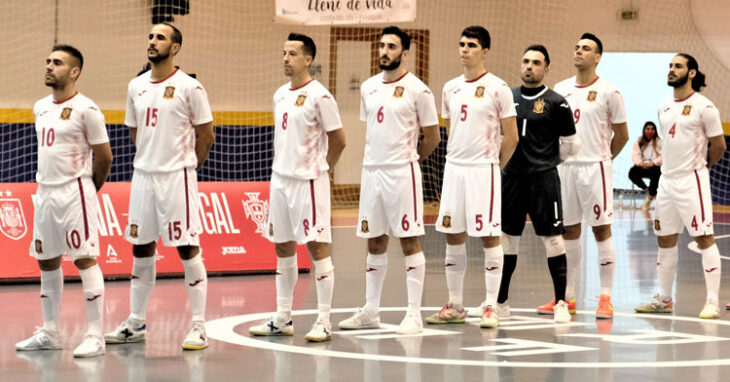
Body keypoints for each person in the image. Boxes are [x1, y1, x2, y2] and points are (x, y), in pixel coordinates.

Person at [104, 23, 215, 350]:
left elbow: (205, 134)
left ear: (176, 47)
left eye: (160, 38)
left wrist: (189, 167)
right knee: (141, 248)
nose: (153, 42)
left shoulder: (189, 87)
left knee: (186, 248)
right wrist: (148, 159)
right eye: (150, 37)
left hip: (177, 177)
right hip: (143, 178)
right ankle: (136, 322)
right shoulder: (135, 86)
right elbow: (134, 130)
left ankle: (198, 326)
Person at [338, 26, 440, 334]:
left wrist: (410, 160)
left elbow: (432, 137)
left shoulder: (419, 90)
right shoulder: (368, 87)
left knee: (409, 240)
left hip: (402, 174)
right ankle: (371, 310)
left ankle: (413, 313)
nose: (384, 51)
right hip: (371, 173)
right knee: (375, 240)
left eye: (392, 46)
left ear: (404, 52)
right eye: (382, 45)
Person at [16, 45, 113, 358]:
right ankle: (50, 332)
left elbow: (105, 157)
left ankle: (96, 335)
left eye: (57, 62)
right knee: (47, 261)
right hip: (45, 194)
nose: (48, 66)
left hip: (75, 194)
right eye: (47, 61)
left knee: (84, 258)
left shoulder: (88, 110)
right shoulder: (40, 106)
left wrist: (87, 189)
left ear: (74, 71)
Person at [248, 33, 346, 342]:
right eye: (283, 52)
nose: (285, 58)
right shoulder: (279, 95)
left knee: (317, 249)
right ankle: (282, 318)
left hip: (309, 183)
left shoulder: (321, 96)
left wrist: (323, 169)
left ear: (308, 59)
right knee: (282, 248)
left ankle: (324, 320)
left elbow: (340, 140)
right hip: (280, 181)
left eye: (292, 53)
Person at [425, 26, 518, 329]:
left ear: (485, 51)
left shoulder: (498, 87)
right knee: (454, 235)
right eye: (462, 43)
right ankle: (455, 305)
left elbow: (512, 137)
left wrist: (494, 167)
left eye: (472, 45)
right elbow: (451, 131)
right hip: (454, 169)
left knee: (490, 236)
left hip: (484, 171)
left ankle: (490, 305)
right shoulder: (449, 87)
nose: (465, 49)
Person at [489, 45, 580, 324]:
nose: (529, 66)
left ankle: (562, 302)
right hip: (512, 178)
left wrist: (545, 161)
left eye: (536, 63)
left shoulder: (557, 102)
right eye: (526, 61)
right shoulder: (508, 96)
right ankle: (501, 301)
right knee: (508, 239)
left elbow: (571, 146)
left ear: (546, 68)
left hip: (544, 180)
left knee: (552, 240)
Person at [635, 53, 726, 319]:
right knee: (665, 240)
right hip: (667, 182)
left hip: (692, 180)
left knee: (704, 238)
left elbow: (718, 145)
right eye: (670, 66)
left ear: (692, 73)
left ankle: (712, 302)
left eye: (678, 66)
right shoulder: (663, 106)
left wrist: (703, 167)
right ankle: (664, 299)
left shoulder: (705, 106)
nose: (672, 70)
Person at [552, 33, 629, 319]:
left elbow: (622, 135)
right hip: (566, 168)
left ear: (597, 57)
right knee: (569, 231)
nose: (579, 51)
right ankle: (568, 297)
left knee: (601, 230)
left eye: (586, 48)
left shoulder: (610, 92)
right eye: (577, 47)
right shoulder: (560, 89)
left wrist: (604, 159)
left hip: (595, 168)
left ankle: (605, 297)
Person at [628, 121, 662, 211]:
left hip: (654, 166)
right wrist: (640, 163)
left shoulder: (659, 142)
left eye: (652, 129)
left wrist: (653, 163)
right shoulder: (639, 141)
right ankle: (648, 189)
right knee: (632, 172)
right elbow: (635, 155)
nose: (650, 131)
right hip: (643, 166)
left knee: (657, 172)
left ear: (655, 131)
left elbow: (662, 156)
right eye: (648, 129)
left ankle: (649, 198)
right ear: (644, 130)